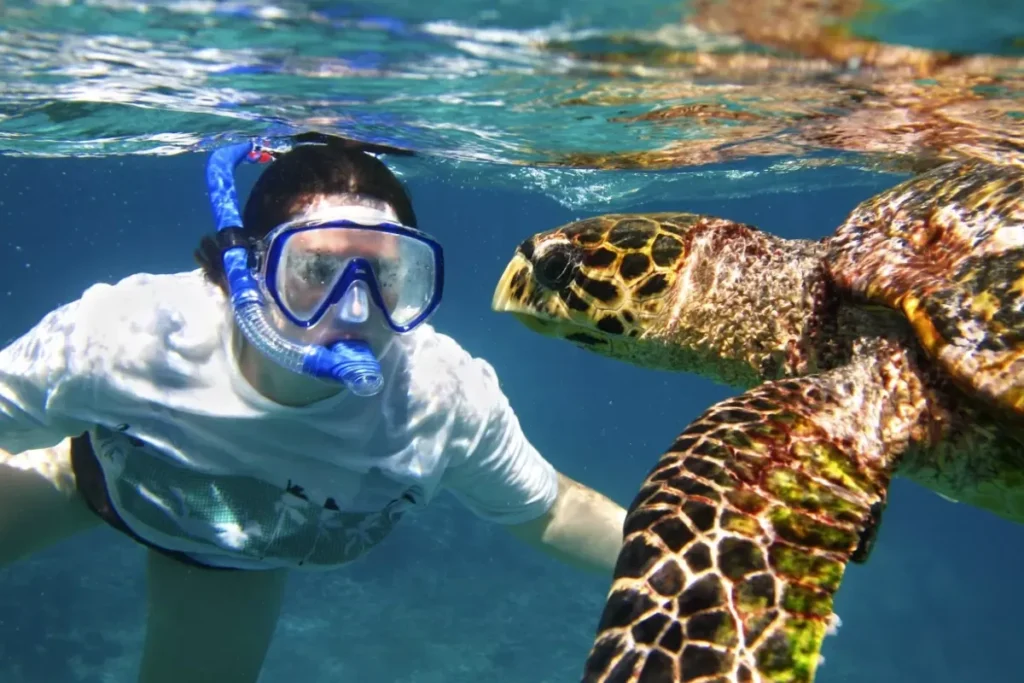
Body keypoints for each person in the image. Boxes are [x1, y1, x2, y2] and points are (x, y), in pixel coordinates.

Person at [0, 133, 626, 683]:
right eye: (316, 268)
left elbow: (552, 509)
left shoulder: (441, 398)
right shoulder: (132, 334)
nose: (354, 310)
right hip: (87, 480)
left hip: (230, 564)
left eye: (385, 276)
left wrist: (709, 568)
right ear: (243, 272)